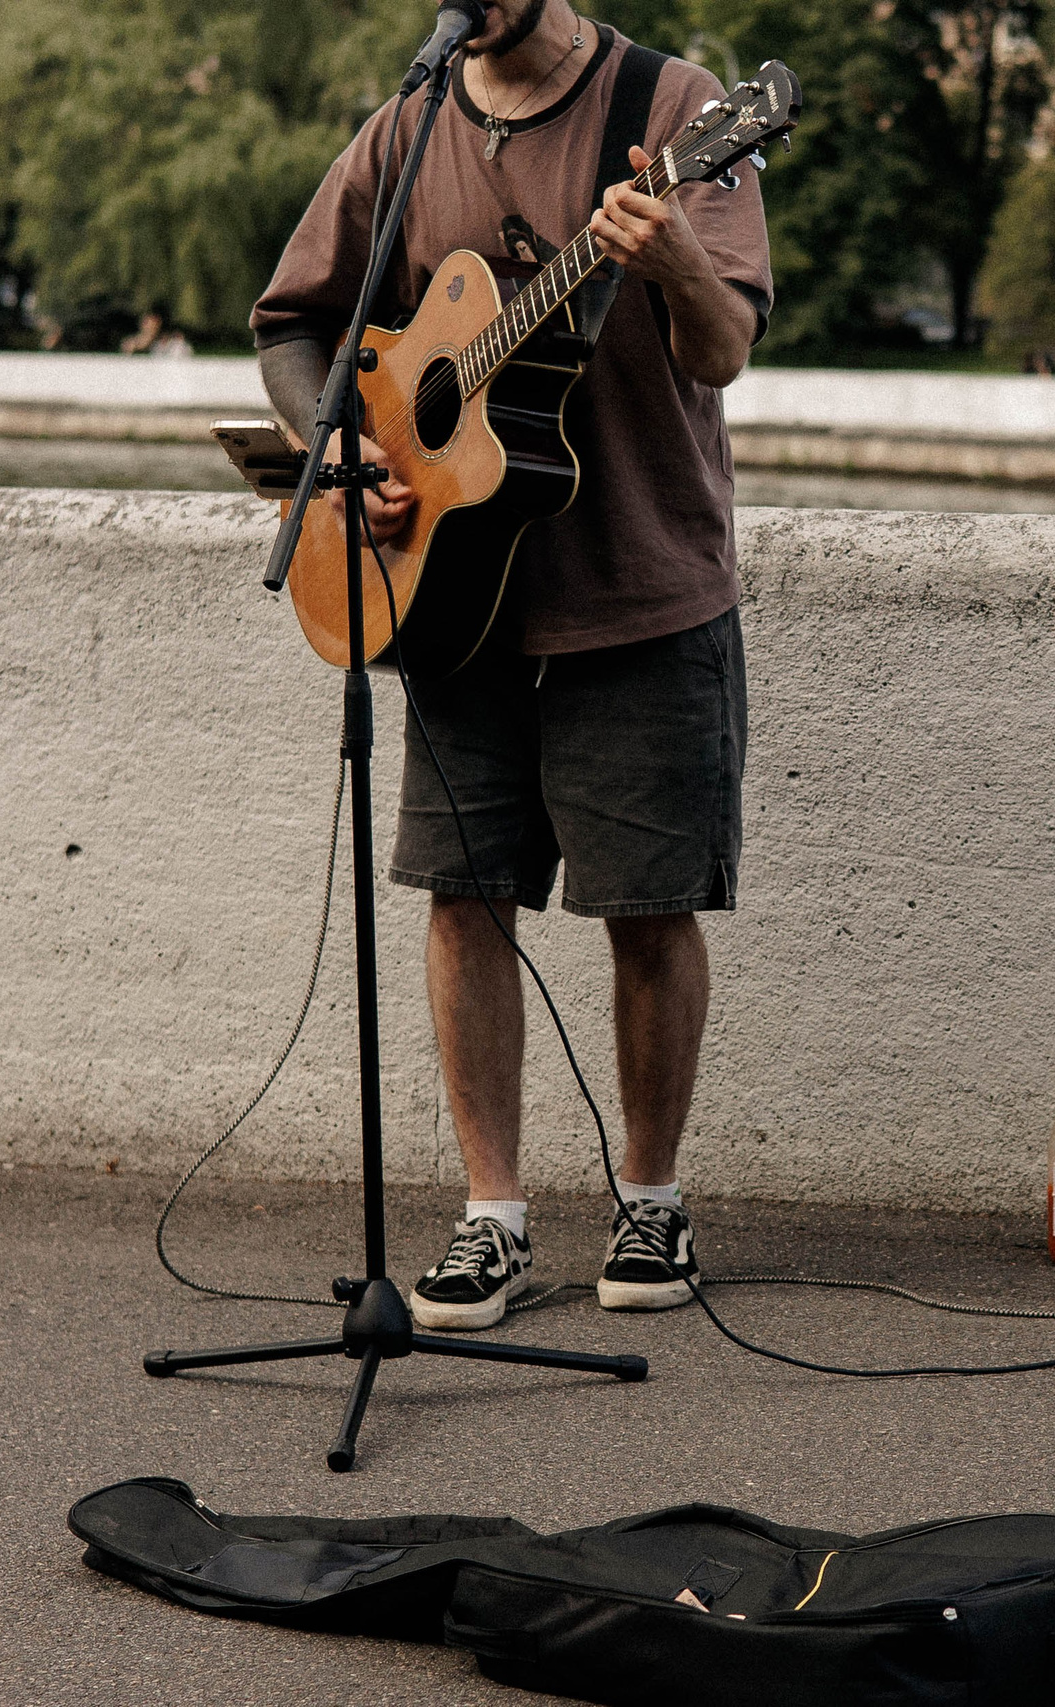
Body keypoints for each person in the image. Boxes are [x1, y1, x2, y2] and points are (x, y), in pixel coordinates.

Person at [250, 0, 771, 1329]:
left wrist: (667, 263)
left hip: (644, 584)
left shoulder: (670, 111)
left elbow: (724, 351)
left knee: (649, 910)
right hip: (456, 598)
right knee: (460, 899)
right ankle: (493, 1218)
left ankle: (651, 1200)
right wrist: (347, 445)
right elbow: (293, 324)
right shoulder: (409, 123)